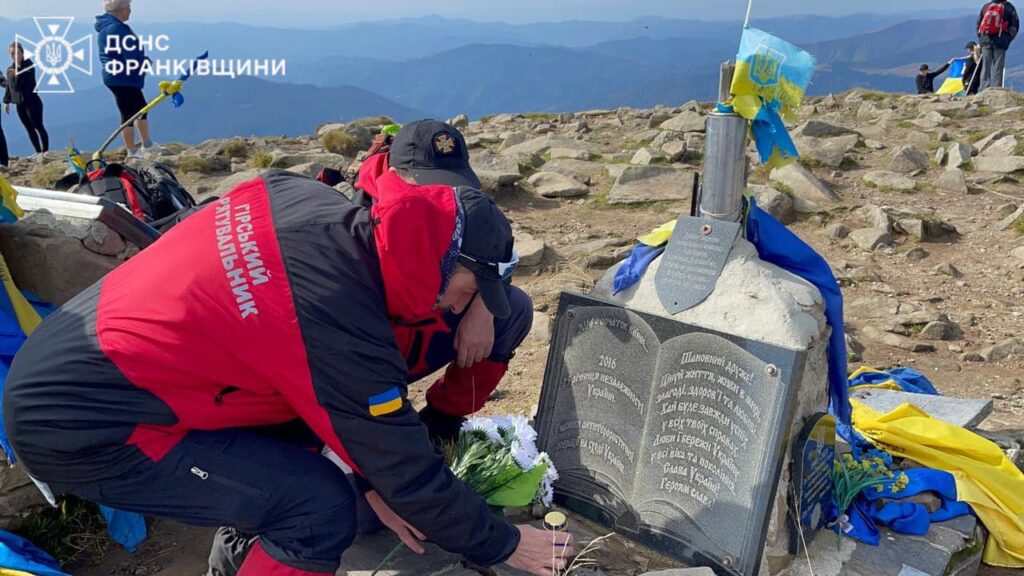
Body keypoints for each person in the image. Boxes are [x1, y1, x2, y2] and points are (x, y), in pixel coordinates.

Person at [2, 143, 573, 574]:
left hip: (75, 362)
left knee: (327, 486)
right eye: (467, 290)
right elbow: (399, 464)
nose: (461, 306)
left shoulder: (309, 203)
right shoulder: (337, 315)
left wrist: (375, 477)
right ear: (435, 262)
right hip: (87, 425)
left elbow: (302, 394)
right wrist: (506, 545)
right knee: (315, 508)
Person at [355, 120, 534, 445]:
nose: (444, 194)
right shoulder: (357, 218)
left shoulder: (457, 210)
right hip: (364, 356)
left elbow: (497, 254)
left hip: (420, 330)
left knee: (514, 309)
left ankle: (440, 423)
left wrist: (482, 307)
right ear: (395, 173)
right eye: (429, 182)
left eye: (454, 183)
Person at [96, 0, 157, 160]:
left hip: (117, 75)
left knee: (140, 108)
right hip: (122, 77)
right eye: (129, 8)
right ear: (122, 10)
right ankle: (132, 151)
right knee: (129, 113)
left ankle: (146, 144)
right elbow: (129, 53)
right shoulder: (118, 28)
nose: (130, 11)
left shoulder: (107, 26)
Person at [3, 43, 49, 159]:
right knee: (29, 128)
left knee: (38, 126)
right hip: (20, 104)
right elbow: (10, 87)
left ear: (22, 53)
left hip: (32, 101)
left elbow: (21, 82)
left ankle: (46, 152)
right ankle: (38, 152)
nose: (15, 55)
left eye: (18, 53)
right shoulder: (10, 70)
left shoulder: (29, 66)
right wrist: (6, 102)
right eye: (13, 53)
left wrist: (17, 67)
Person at [978, 0, 1020, 90]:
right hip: (1000, 41)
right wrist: (1008, 39)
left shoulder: (986, 6)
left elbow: (979, 24)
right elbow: (1015, 25)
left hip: (986, 40)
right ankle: (996, 89)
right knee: (998, 67)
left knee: (985, 66)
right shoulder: (1009, 8)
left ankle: (984, 88)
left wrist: (981, 38)